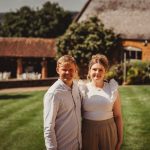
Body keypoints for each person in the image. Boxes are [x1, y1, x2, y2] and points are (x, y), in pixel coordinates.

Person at [80, 54, 123, 150]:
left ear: (105, 72)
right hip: (88, 130)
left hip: (108, 129)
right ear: (89, 71)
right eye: (94, 69)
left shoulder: (112, 88)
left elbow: (118, 116)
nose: (97, 72)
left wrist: (120, 140)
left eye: (100, 70)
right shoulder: (83, 89)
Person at [43, 55, 82, 150]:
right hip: (63, 146)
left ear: (75, 70)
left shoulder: (76, 87)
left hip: (78, 145)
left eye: (71, 69)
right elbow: (48, 127)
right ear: (57, 70)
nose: (68, 72)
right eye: (64, 69)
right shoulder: (53, 94)